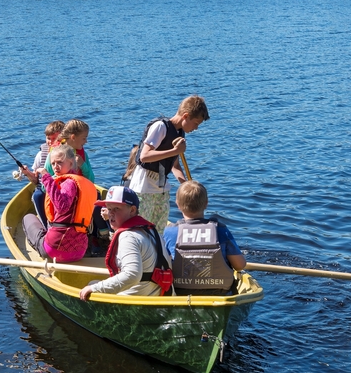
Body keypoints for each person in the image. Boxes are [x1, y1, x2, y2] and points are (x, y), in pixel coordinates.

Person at [124, 95, 210, 234]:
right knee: (141, 231)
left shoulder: (179, 132)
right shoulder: (160, 127)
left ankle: (158, 254)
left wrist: (186, 184)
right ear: (185, 116)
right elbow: (144, 156)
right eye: (196, 123)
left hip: (161, 189)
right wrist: (175, 150)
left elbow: (174, 165)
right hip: (144, 189)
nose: (196, 128)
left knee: (159, 232)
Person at [78, 186, 172, 301]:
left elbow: (132, 275)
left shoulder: (128, 236)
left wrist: (94, 288)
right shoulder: (150, 230)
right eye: (108, 208)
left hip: (138, 301)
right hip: (160, 295)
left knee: (92, 284)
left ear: (132, 210)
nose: (110, 213)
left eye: (116, 209)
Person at [163, 180, 246, 295]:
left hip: (180, 290)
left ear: (178, 205)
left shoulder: (170, 232)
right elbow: (240, 265)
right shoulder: (221, 230)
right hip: (219, 291)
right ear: (206, 203)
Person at [19, 144, 94, 263]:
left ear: (71, 163)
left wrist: (45, 175)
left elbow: (62, 207)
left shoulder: (69, 183)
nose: (55, 167)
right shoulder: (78, 182)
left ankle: (40, 251)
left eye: (59, 162)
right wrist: (29, 174)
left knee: (28, 218)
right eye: (53, 163)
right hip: (79, 251)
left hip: (56, 250)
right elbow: (47, 187)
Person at [30, 120, 65, 225]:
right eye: (48, 138)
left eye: (54, 138)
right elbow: (35, 180)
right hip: (46, 187)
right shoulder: (41, 155)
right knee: (37, 196)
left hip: (64, 186)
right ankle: (46, 226)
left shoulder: (69, 153)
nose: (50, 142)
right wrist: (27, 173)